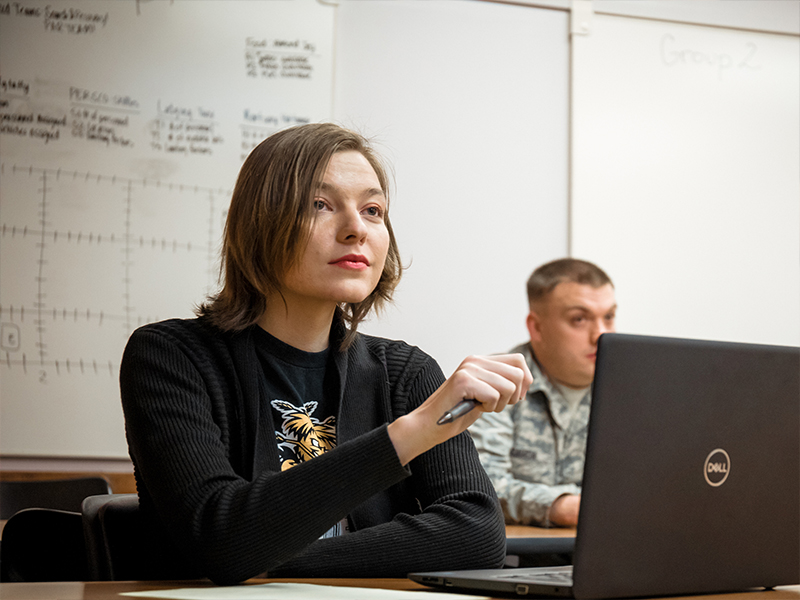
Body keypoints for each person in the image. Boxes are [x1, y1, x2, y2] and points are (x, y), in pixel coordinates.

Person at [119, 123, 532, 585]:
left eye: (373, 210)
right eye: (321, 205)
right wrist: (411, 434)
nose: (357, 229)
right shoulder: (170, 357)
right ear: (260, 222)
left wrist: (272, 559)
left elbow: (476, 537)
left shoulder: (405, 373)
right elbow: (221, 538)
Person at [469, 259, 616, 528]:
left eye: (608, 316)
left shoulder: (630, 390)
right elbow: (479, 486)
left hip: (609, 555)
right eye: (579, 319)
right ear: (536, 327)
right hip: (511, 562)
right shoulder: (495, 382)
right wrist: (560, 506)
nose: (601, 334)